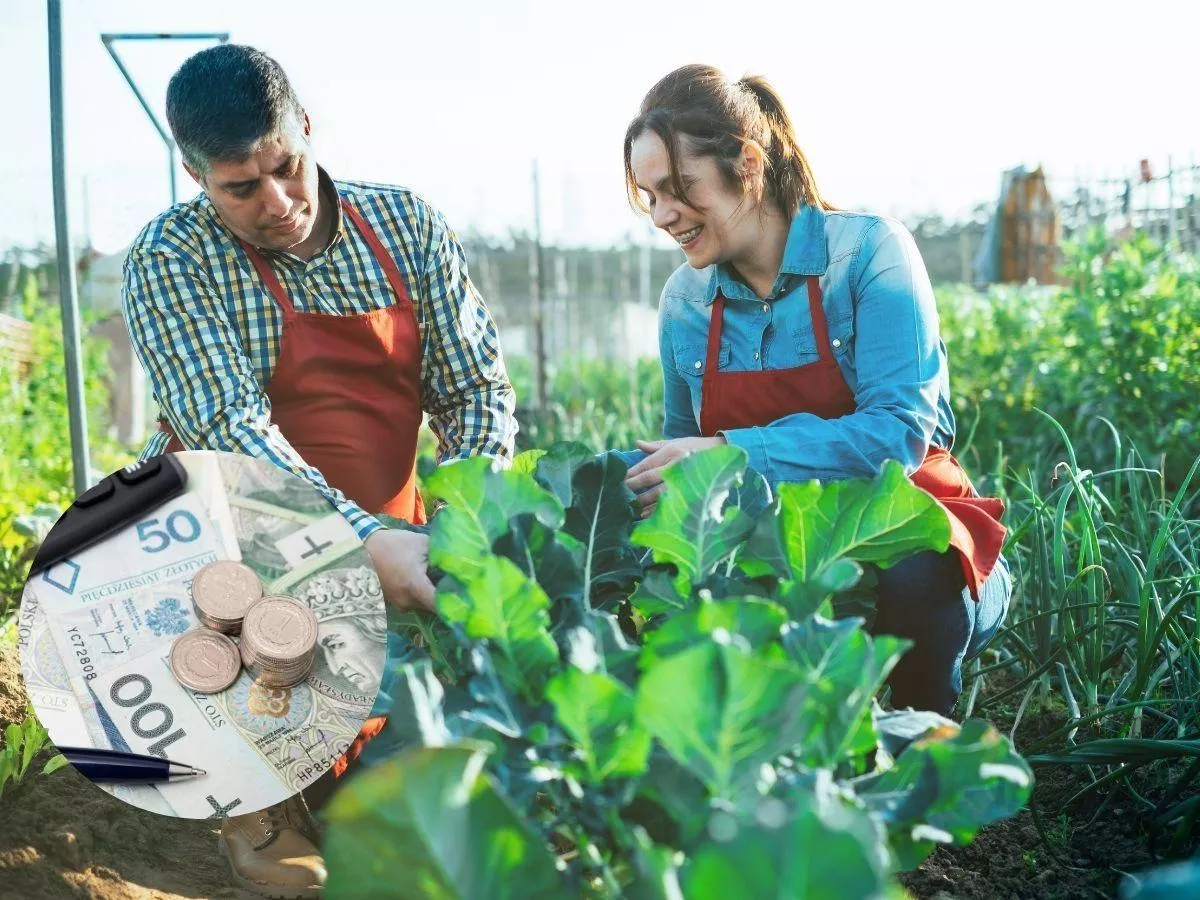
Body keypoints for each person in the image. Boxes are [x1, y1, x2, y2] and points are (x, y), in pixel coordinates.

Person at [122, 45, 517, 899]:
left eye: (287, 169)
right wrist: (363, 543)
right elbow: (231, 430)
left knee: (425, 767)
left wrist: (463, 520)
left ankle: (337, 766)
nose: (279, 203)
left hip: (394, 542)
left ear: (307, 126)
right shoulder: (171, 259)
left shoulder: (404, 226)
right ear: (194, 175)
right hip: (233, 547)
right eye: (241, 189)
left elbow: (477, 389)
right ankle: (251, 798)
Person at [619, 64, 1011, 720]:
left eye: (678, 189)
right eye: (649, 196)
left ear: (746, 164)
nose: (663, 215)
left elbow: (898, 435)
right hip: (778, 565)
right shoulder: (685, 303)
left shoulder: (866, 256)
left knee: (916, 569)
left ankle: (926, 765)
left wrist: (731, 453)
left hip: (919, 552)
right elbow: (684, 469)